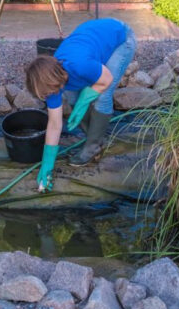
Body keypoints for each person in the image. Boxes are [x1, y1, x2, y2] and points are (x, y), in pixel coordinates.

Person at [24, 18, 136, 192]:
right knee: (73, 97)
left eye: (46, 94)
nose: (46, 97)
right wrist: (46, 166)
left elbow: (106, 79)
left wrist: (86, 97)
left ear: (54, 82)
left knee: (102, 96)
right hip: (91, 39)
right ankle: (95, 137)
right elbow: (54, 124)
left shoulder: (80, 66)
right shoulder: (51, 84)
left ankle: (92, 147)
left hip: (120, 38)